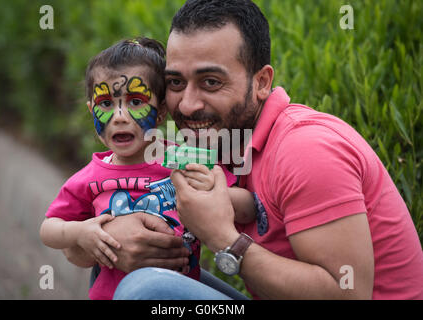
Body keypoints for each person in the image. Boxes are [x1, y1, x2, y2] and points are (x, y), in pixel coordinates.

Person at [111, 0, 423, 300]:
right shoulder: (225, 138)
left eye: (210, 82)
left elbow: (349, 294)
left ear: (261, 82)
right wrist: (106, 238)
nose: (189, 105)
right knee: (128, 265)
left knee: (145, 290)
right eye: (176, 83)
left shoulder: (306, 149)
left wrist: (223, 239)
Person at [40, 37, 256, 300]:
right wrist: (80, 232)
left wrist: (211, 191)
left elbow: (248, 208)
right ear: (91, 111)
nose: (120, 116)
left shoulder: (181, 158)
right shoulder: (92, 176)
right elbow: (49, 228)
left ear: (162, 111)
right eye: (106, 104)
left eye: (135, 102)